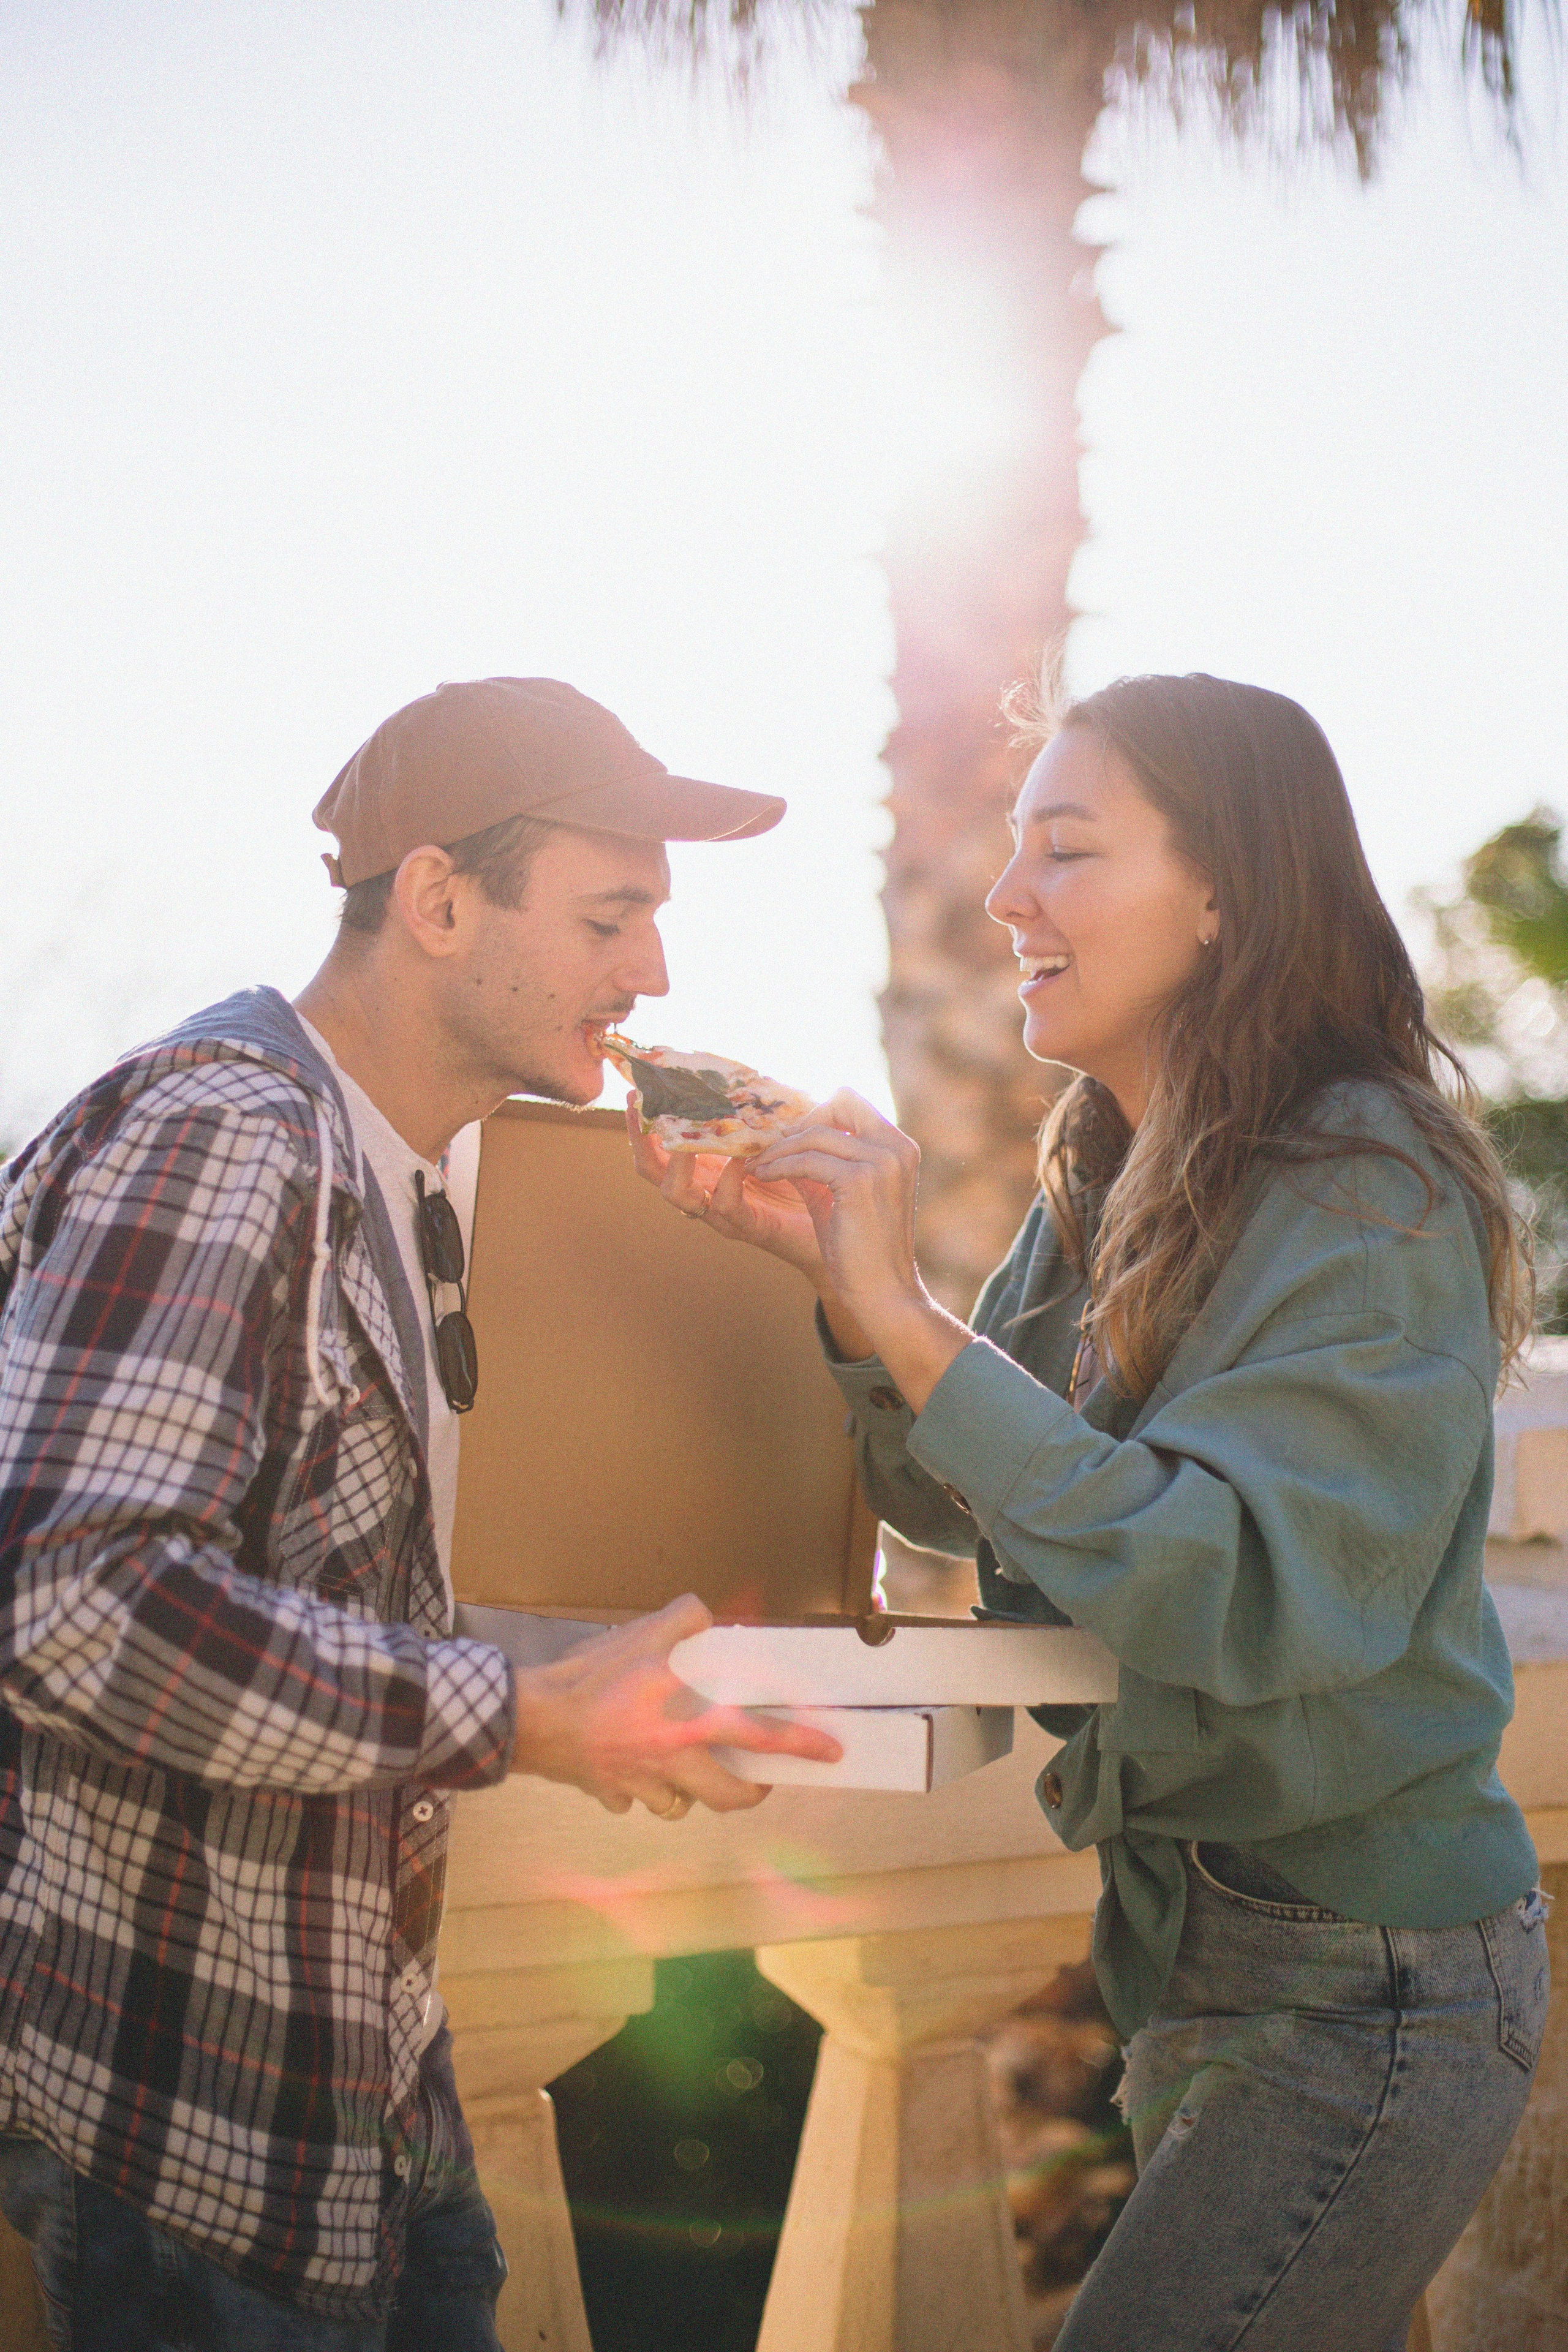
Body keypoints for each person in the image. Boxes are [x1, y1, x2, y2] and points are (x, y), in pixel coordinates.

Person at [632, 670, 1549, 2352]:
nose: (1005, 896)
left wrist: (919, 1330)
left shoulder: (1369, 1188)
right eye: (1010, 849)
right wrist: (850, 1296)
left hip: (1377, 1982)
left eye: (1066, 848)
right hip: (1202, 1953)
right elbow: (991, 1499)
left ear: (1224, 893)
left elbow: (1229, 1593)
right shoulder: (1108, 1157)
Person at [0, 676, 838, 2350]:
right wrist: (520, 1718)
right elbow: (67, 1605)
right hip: (191, 2123)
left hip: (357, 2084)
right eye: (612, 917)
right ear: (440, 899)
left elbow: (342, 1567)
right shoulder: (228, 1136)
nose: (654, 972)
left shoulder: (410, 1168)